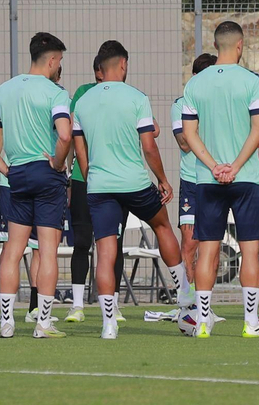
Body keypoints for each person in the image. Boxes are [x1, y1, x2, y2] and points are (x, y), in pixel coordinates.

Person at [70, 40, 188, 340]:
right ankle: (186, 299)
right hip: (134, 182)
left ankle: (108, 323)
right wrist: (162, 179)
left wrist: (92, 178)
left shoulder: (82, 102)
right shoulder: (137, 97)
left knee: (106, 249)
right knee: (162, 226)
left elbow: (80, 152)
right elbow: (149, 146)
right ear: (123, 65)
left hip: (98, 186)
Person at [0, 31, 74, 339]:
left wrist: (3, 167)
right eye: (61, 61)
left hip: (16, 174)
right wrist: (58, 163)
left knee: (12, 250)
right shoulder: (56, 92)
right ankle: (43, 324)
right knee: (47, 250)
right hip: (47, 175)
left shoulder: (4, 90)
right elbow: (65, 135)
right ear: (53, 60)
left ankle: (7, 323)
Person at [180, 20, 259, 339]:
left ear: (216, 45)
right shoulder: (252, 81)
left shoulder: (195, 84)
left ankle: (203, 322)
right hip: (246, 178)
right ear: (240, 45)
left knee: (207, 250)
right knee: (250, 250)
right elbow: (258, 129)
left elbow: (189, 134)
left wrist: (214, 165)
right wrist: (233, 166)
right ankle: (250, 323)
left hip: (207, 179)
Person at [66, 54, 125, 323]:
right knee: (81, 241)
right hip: (83, 178)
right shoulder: (83, 94)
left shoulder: (128, 95)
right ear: (97, 72)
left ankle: (113, 305)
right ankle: (77, 305)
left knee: (115, 243)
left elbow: (150, 130)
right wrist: (69, 175)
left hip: (115, 180)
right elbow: (72, 135)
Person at [168, 52, 217, 318]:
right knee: (189, 243)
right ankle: (189, 306)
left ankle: (206, 306)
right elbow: (185, 142)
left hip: (215, 179)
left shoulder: (218, 103)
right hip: (191, 180)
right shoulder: (181, 104)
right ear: (196, 78)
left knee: (212, 242)